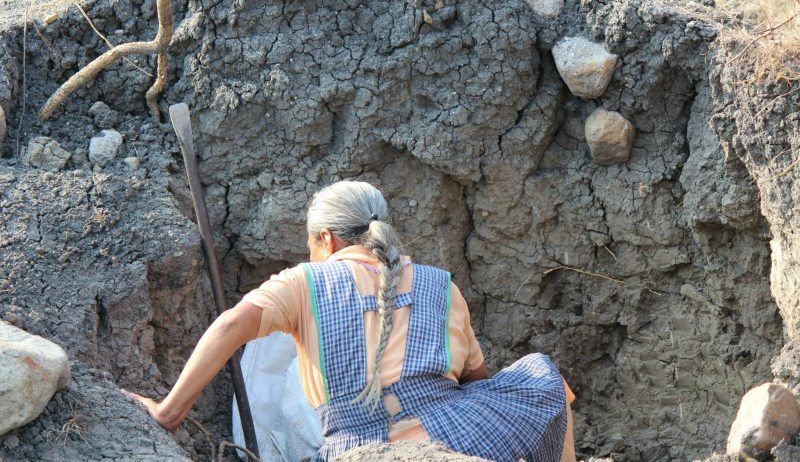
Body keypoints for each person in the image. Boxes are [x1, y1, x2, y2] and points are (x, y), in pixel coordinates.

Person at [124, 181, 576, 461]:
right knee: (541, 375)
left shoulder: (303, 283)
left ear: (326, 239)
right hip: (457, 440)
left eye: (311, 243)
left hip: (357, 449)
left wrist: (168, 412)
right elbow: (478, 382)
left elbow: (228, 327)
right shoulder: (441, 284)